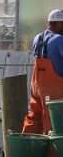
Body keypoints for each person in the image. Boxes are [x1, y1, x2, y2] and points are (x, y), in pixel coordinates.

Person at [22, 9, 63, 145]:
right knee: (52, 121)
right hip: (52, 87)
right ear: (58, 24)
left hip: (36, 84)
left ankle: (26, 149)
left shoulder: (37, 38)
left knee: (34, 115)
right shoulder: (59, 40)